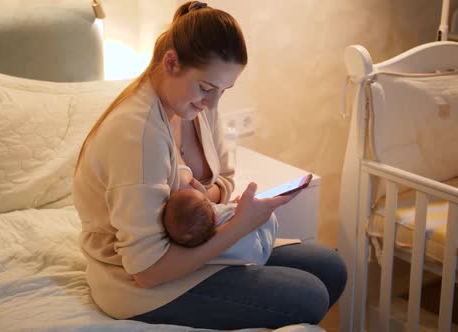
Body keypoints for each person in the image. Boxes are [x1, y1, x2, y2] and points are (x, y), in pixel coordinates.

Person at [73, 1, 347, 329]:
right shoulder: (138, 134)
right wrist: (240, 225)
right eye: (206, 88)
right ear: (171, 62)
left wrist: (205, 202)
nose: (213, 102)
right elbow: (146, 271)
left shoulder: (195, 104)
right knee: (310, 296)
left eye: (223, 90)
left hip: (194, 242)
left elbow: (225, 178)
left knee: (330, 266)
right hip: (139, 283)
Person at [163, 187, 278, 265]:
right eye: (205, 200)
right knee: (269, 216)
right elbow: (233, 212)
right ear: (215, 218)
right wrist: (236, 205)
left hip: (247, 260)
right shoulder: (222, 215)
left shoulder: (193, 238)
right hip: (259, 250)